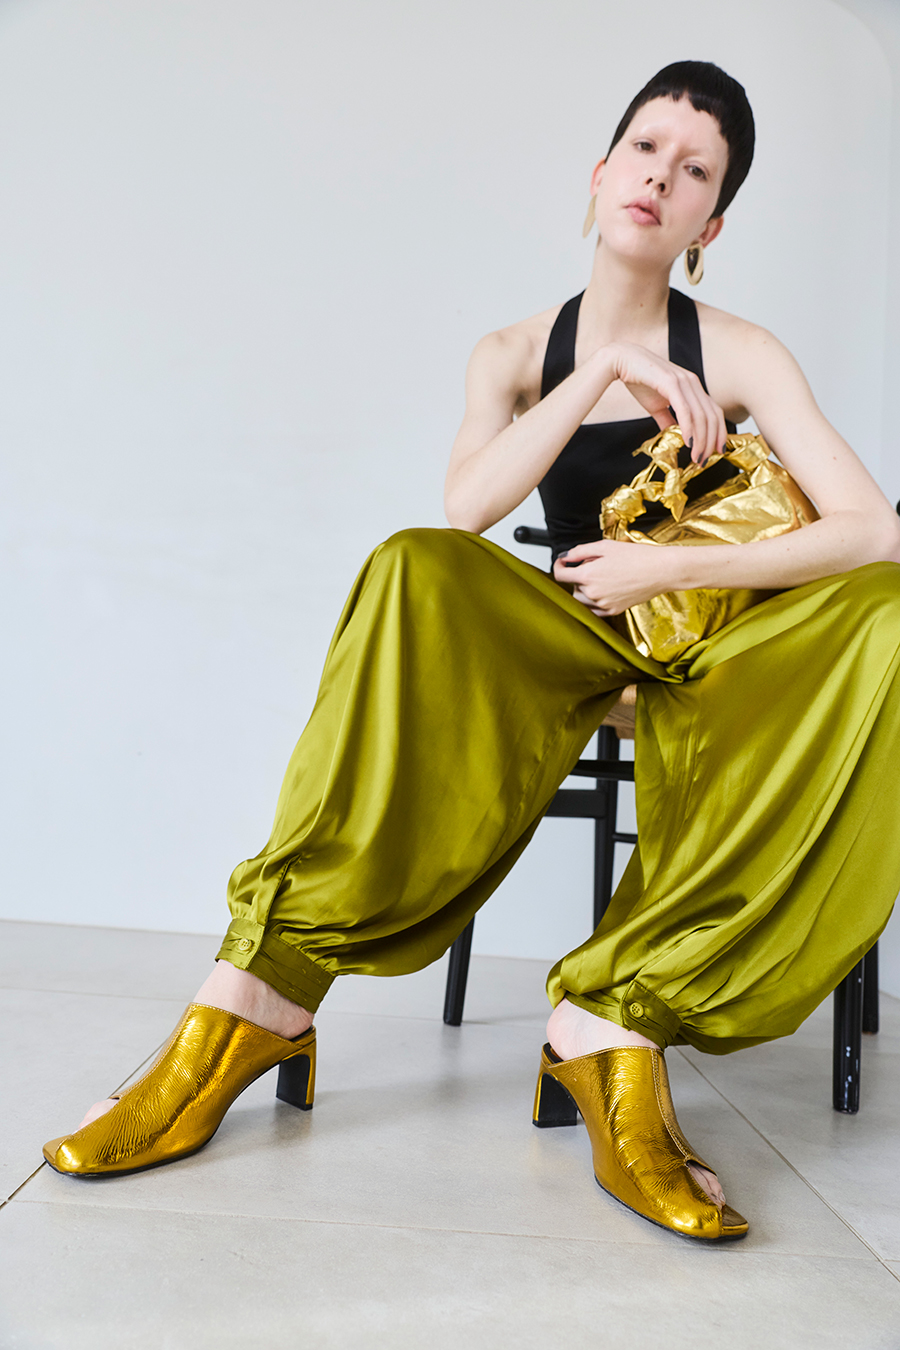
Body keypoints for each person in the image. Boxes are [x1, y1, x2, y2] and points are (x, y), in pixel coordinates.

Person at [43, 61, 900, 1243]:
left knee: (889, 607)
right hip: (567, 638)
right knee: (415, 564)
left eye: (696, 170)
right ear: (601, 172)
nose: (662, 176)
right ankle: (261, 992)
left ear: (711, 223)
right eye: (646, 149)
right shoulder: (510, 350)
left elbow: (873, 530)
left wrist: (662, 569)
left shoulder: (743, 351)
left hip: (712, 651)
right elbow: (468, 509)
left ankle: (611, 1019)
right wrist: (602, 371)